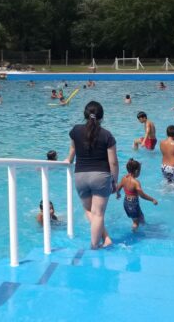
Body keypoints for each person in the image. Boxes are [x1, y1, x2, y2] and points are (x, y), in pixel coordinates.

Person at [65, 101, 118, 249]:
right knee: (98, 214)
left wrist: (68, 160)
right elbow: (113, 162)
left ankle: (106, 238)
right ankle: (95, 245)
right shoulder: (107, 135)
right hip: (101, 176)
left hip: (80, 176)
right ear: (101, 117)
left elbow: (72, 150)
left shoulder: (75, 130)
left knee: (89, 211)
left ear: (85, 114)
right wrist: (114, 181)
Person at [116, 159, 158, 230]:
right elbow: (142, 195)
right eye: (139, 171)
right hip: (133, 204)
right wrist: (152, 199)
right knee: (136, 222)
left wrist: (118, 194)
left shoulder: (124, 178)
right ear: (136, 171)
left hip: (126, 202)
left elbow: (118, 188)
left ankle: (145, 227)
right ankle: (134, 234)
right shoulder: (136, 182)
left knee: (141, 217)